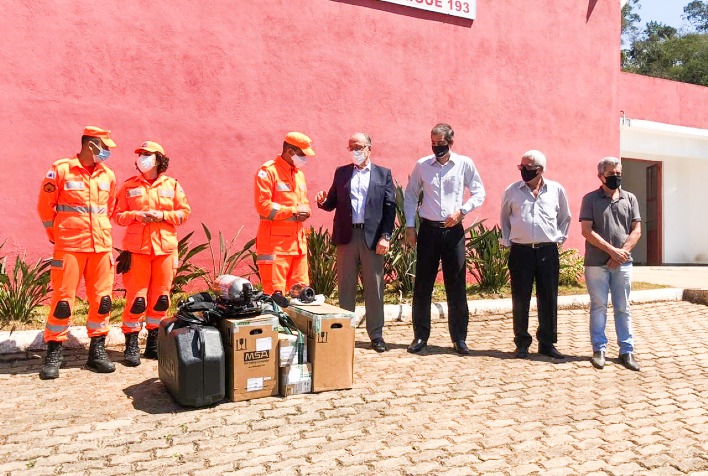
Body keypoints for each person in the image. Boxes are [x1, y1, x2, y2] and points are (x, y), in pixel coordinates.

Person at [36, 126, 118, 379]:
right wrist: (57, 236)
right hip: (70, 246)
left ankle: (97, 352)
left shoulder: (108, 176)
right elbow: (44, 206)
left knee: (102, 300)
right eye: (104, 147)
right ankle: (54, 352)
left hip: (101, 246)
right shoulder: (61, 169)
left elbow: (110, 207)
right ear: (91, 145)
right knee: (62, 301)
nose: (106, 152)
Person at [404, 123, 485, 355]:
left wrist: (463, 210)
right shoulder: (422, 165)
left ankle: (459, 338)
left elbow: (479, 191)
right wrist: (410, 226)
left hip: (453, 231)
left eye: (441, 143)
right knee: (422, 285)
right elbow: (410, 196)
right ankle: (420, 336)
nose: (437, 147)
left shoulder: (464, 164)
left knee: (457, 284)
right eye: (433, 143)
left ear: (451, 142)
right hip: (428, 231)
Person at [315, 133, 396, 353]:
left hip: (373, 238)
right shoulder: (341, 173)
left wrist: (386, 237)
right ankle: (345, 333)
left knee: (374, 288)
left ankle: (376, 335)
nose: (355, 151)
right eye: (351, 147)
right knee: (346, 287)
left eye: (359, 147)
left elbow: (390, 208)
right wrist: (322, 202)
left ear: (370, 148)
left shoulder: (383, 174)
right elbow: (332, 202)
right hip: (347, 237)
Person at [113, 141, 191, 366]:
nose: (142, 158)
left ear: (159, 159)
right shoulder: (128, 186)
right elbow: (117, 215)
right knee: (136, 298)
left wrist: (163, 216)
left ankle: (154, 343)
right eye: (140, 154)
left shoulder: (173, 185)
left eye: (147, 154)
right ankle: (131, 344)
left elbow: (184, 213)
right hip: (137, 250)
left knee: (160, 298)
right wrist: (137, 215)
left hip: (165, 249)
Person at [500, 150, 571, 360]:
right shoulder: (512, 191)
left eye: (528, 168)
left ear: (540, 170)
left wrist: (558, 238)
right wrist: (508, 240)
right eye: (521, 167)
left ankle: (547, 343)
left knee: (548, 297)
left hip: (547, 250)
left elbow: (565, 217)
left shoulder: (556, 190)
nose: (524, 171)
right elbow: (504, 218)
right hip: (521, 251)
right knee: (520, 298)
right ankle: (521, 343)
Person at [580, 157, 641, 371]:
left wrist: (621, 254)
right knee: (598, 307)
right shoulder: (590, 199)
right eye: (611, 174)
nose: (616, 177)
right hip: (596, 264)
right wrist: (612, 252)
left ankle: (627, 350)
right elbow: (587, 231)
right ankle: (599, 349)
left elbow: (636, 230)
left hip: (623, 264)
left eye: (618, 173)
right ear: (600, 176)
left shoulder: (630, 198)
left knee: (623, 307)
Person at [255, 132, 314, 300]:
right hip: (276, 247)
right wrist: (294, 211)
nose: (305, 159)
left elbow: (303, 203)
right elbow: (263, 206)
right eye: (302, 155)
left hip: (298, 245)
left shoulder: (299, 174)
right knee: (275, 298)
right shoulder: (268, 171)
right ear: (290, 152)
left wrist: (306, 211)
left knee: (302, 296)